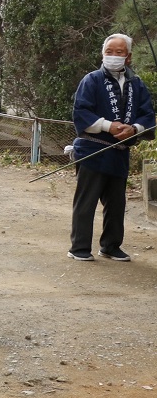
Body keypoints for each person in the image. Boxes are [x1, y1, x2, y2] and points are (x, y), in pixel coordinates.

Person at [68, 33, 155, 262]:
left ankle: (110, 246)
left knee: (116, 204)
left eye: (119, 52)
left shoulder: (136, 84)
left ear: (128, 57)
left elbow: (148, 115)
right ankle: (79, 248)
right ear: (102, 54)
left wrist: (135, 128)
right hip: (92, 150)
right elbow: (81, 111)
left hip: (120, 153)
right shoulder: (92, 80)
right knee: (86, 202)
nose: (114, 56)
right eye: (110, 52)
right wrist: (109, 126)